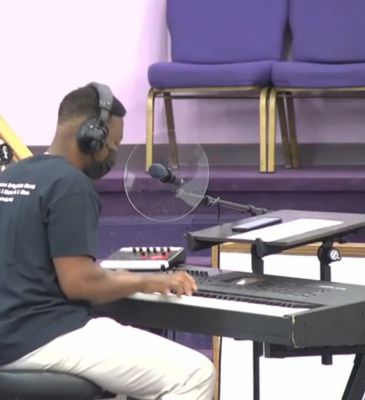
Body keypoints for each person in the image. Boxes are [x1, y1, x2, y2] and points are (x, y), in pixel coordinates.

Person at [0, 83, 215, 399]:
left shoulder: (11, 175)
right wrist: (149, 281)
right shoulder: (71, 184)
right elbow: (79, 283)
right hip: (43, 335)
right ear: (92, 135)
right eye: (113, 143)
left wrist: (118, 278)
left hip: (9, 335)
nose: (113, 154)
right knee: (194, 373)